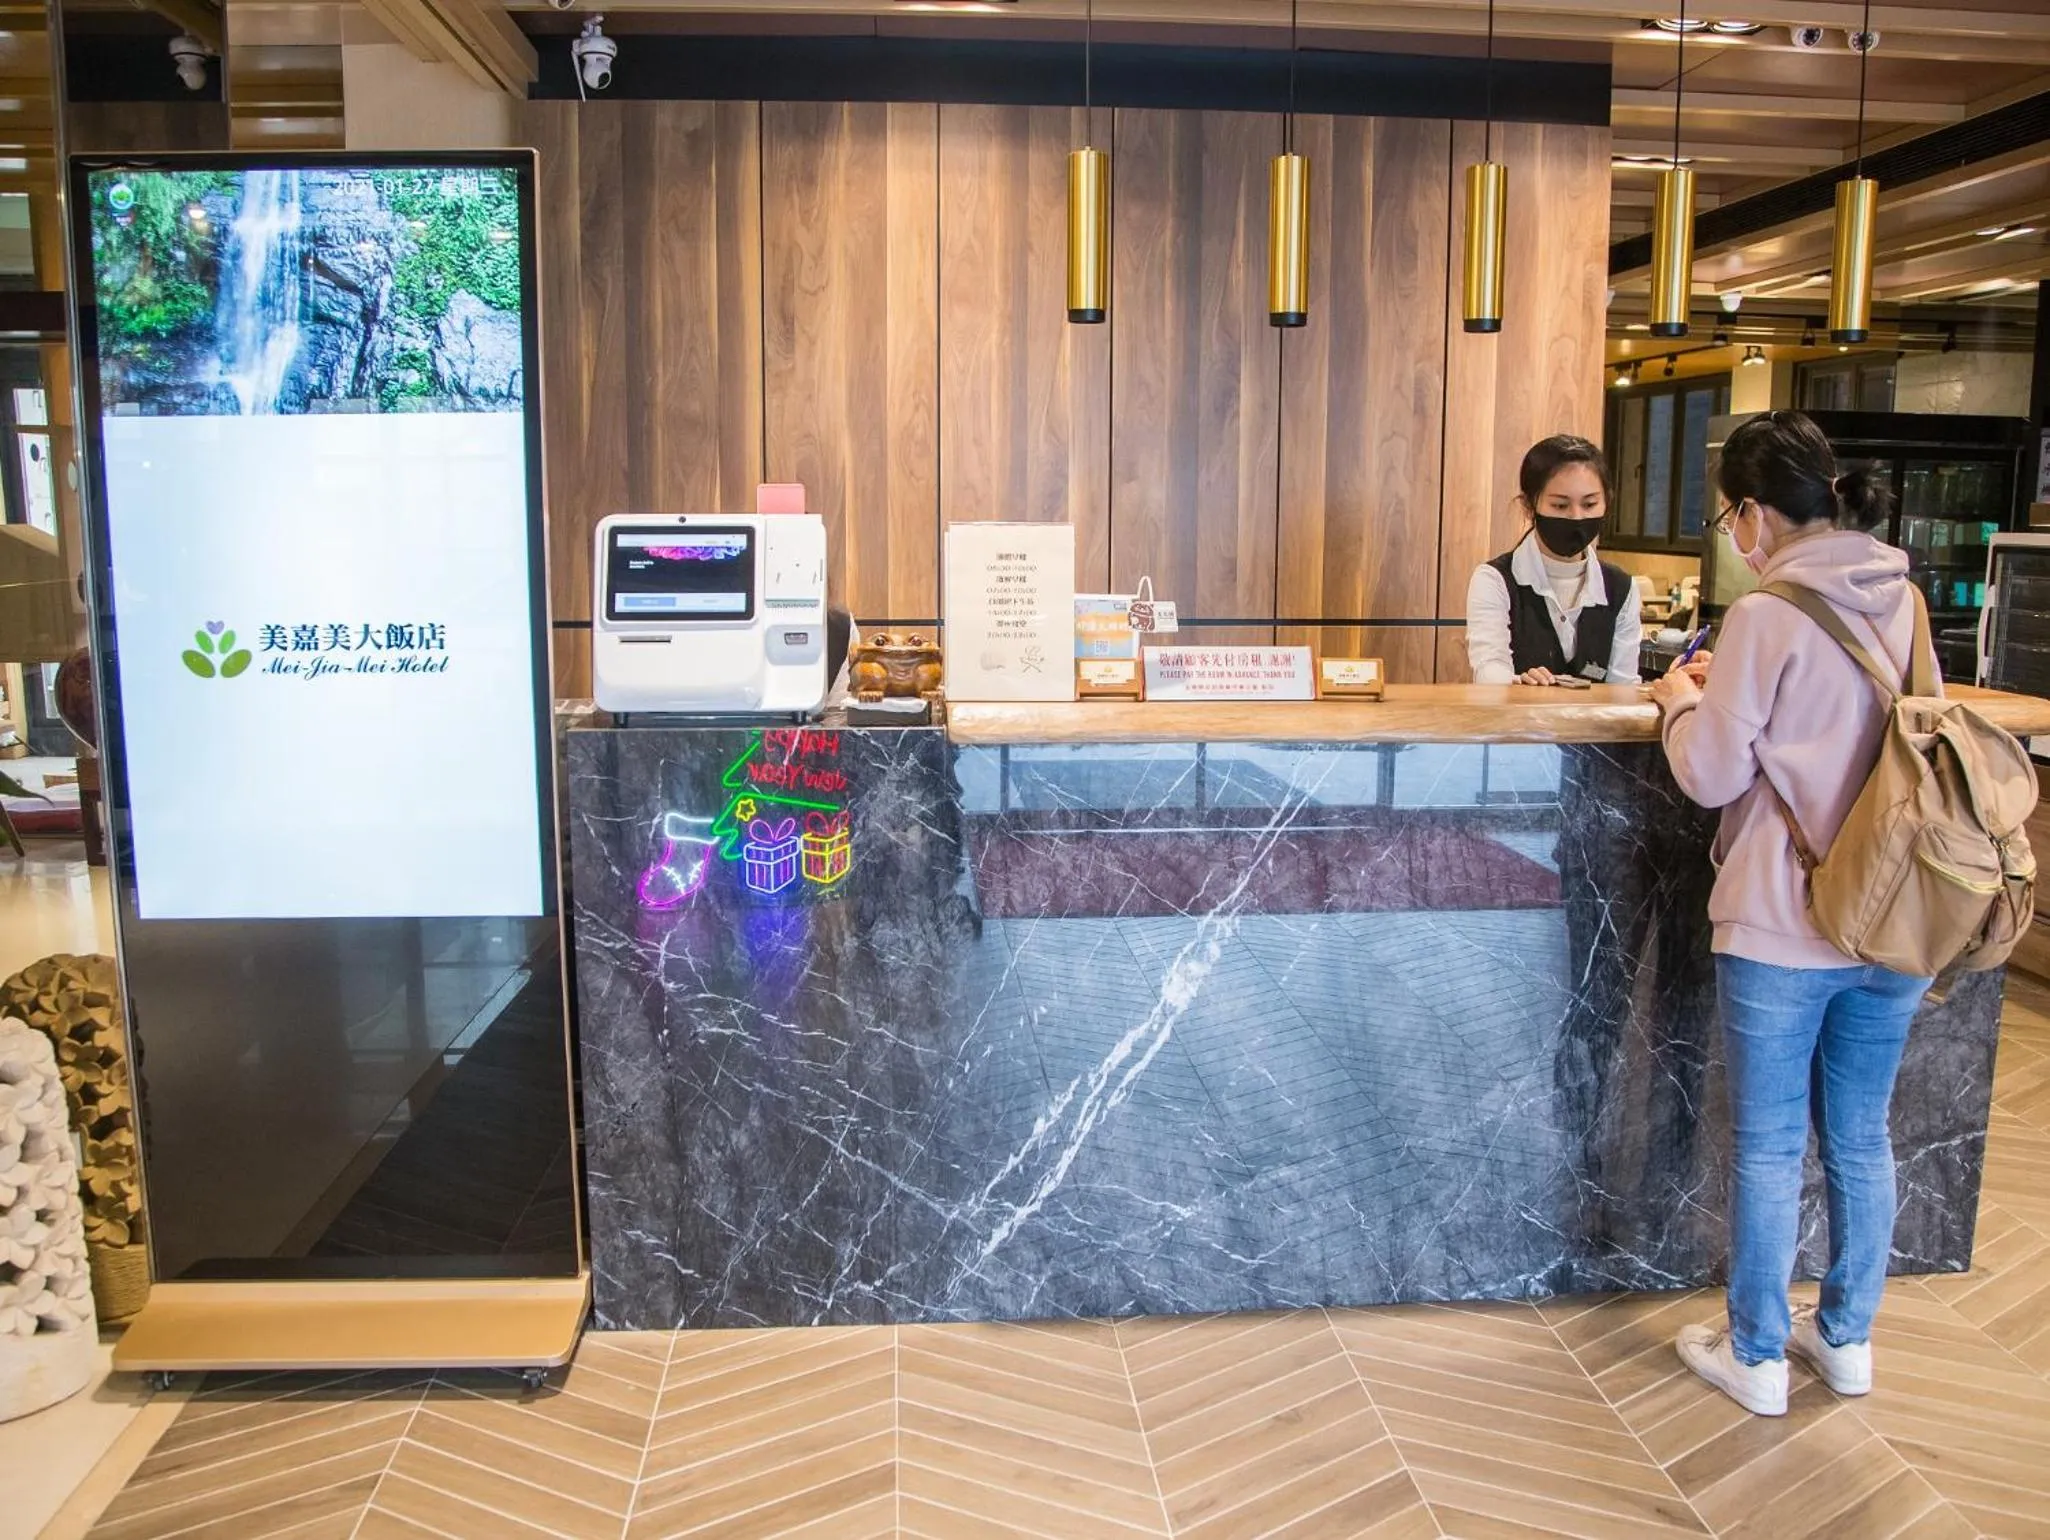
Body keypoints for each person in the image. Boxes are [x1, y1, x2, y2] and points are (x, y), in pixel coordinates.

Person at [1649, 409, 1934, 1418]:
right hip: (1896, 916)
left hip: (1782, 918)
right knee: (1861, 1134)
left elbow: (1712, 771)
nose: (1732, 533)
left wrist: (1678, 700)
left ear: (1759, 512)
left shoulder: (1764, 616)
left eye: (1731, 513)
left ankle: (1759, 1352)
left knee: (1769, 1143)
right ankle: (1846, 1339)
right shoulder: (1902, 597)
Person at [1466, 436, 1642, 686]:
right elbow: (1489, 670)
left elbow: (1623, 688)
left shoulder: (1621, 588)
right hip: (1516, 723)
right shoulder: (1495, 580)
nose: (1576, 517)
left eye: (1590, 504)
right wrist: (1517, 683)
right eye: (1560, 505)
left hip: (1596, 726)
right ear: (1529, 506)